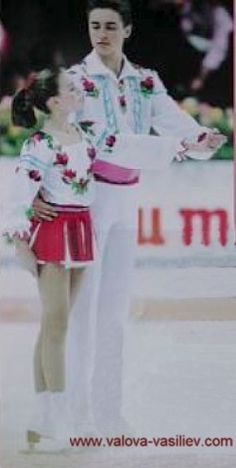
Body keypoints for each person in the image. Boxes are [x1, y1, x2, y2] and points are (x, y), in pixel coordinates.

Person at [31, 0, 225, 436]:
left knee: (114, 313)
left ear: (128, 30)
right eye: (94, 25)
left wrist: (198, 136)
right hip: (88, 200)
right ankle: (75, 414)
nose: (101, 33)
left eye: (110, 26)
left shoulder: (145, 80)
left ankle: (107, 412)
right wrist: (173, 148)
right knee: (82, 311)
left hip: (127, 200)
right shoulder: (76, 81)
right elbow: (102, 140)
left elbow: (171, 119)